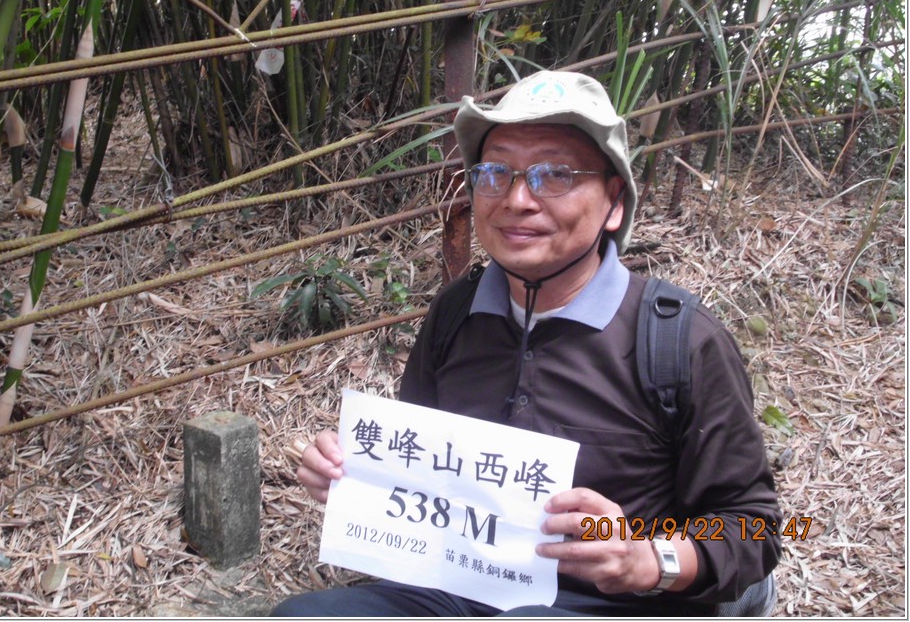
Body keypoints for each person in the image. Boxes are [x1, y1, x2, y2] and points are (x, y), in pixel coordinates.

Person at [274, 70, 781, 616]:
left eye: (555, 175)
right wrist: (355, 478)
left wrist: (647, 559)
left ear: (614, 202)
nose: (517, 199)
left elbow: (756, 530)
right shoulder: (455, 313)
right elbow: (422, 472)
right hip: (452, 585)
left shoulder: (679, 341)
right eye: (495, 173)